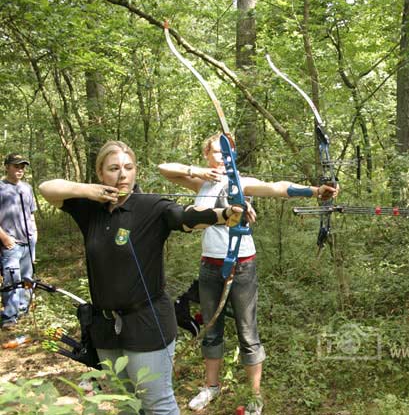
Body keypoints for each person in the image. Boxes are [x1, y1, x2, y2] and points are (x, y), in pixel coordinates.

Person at [39, 140, 255, 415]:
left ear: (136, 171)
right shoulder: (90, 209)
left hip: (147, 322)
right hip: (105, 328)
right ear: (100, 174)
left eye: (128, 167)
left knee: (158, 404)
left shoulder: (153, 206)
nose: (122, 174)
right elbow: (47, 188)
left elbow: (186, 216)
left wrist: (225, 215)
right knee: (125, 403)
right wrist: (88, 191)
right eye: (114, 168)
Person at [158, 133, 338, 414]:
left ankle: (255, 397)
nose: (221, 157)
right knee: (211, 328)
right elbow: (164, 169)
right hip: (209, 265)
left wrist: (314, 191)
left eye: (226, 152)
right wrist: (197, 171)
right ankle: (212, 387)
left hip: (241, 265)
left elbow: (277, 187)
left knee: (247, 331)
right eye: (216, 152)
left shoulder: (240, 183)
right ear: (207, 154)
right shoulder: (201, 182)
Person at [0, 153, 38, 329]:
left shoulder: (27, 188)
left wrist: (34, 234)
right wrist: (6, 239)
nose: (20, 170)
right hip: (11, 244)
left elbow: (31, 213)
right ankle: (9, 317)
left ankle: (23, 311)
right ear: (7, 166)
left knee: (27, 279)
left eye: (22, 166)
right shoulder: (1, 188)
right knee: (11, 281)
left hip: (28, 243)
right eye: (16, 166)